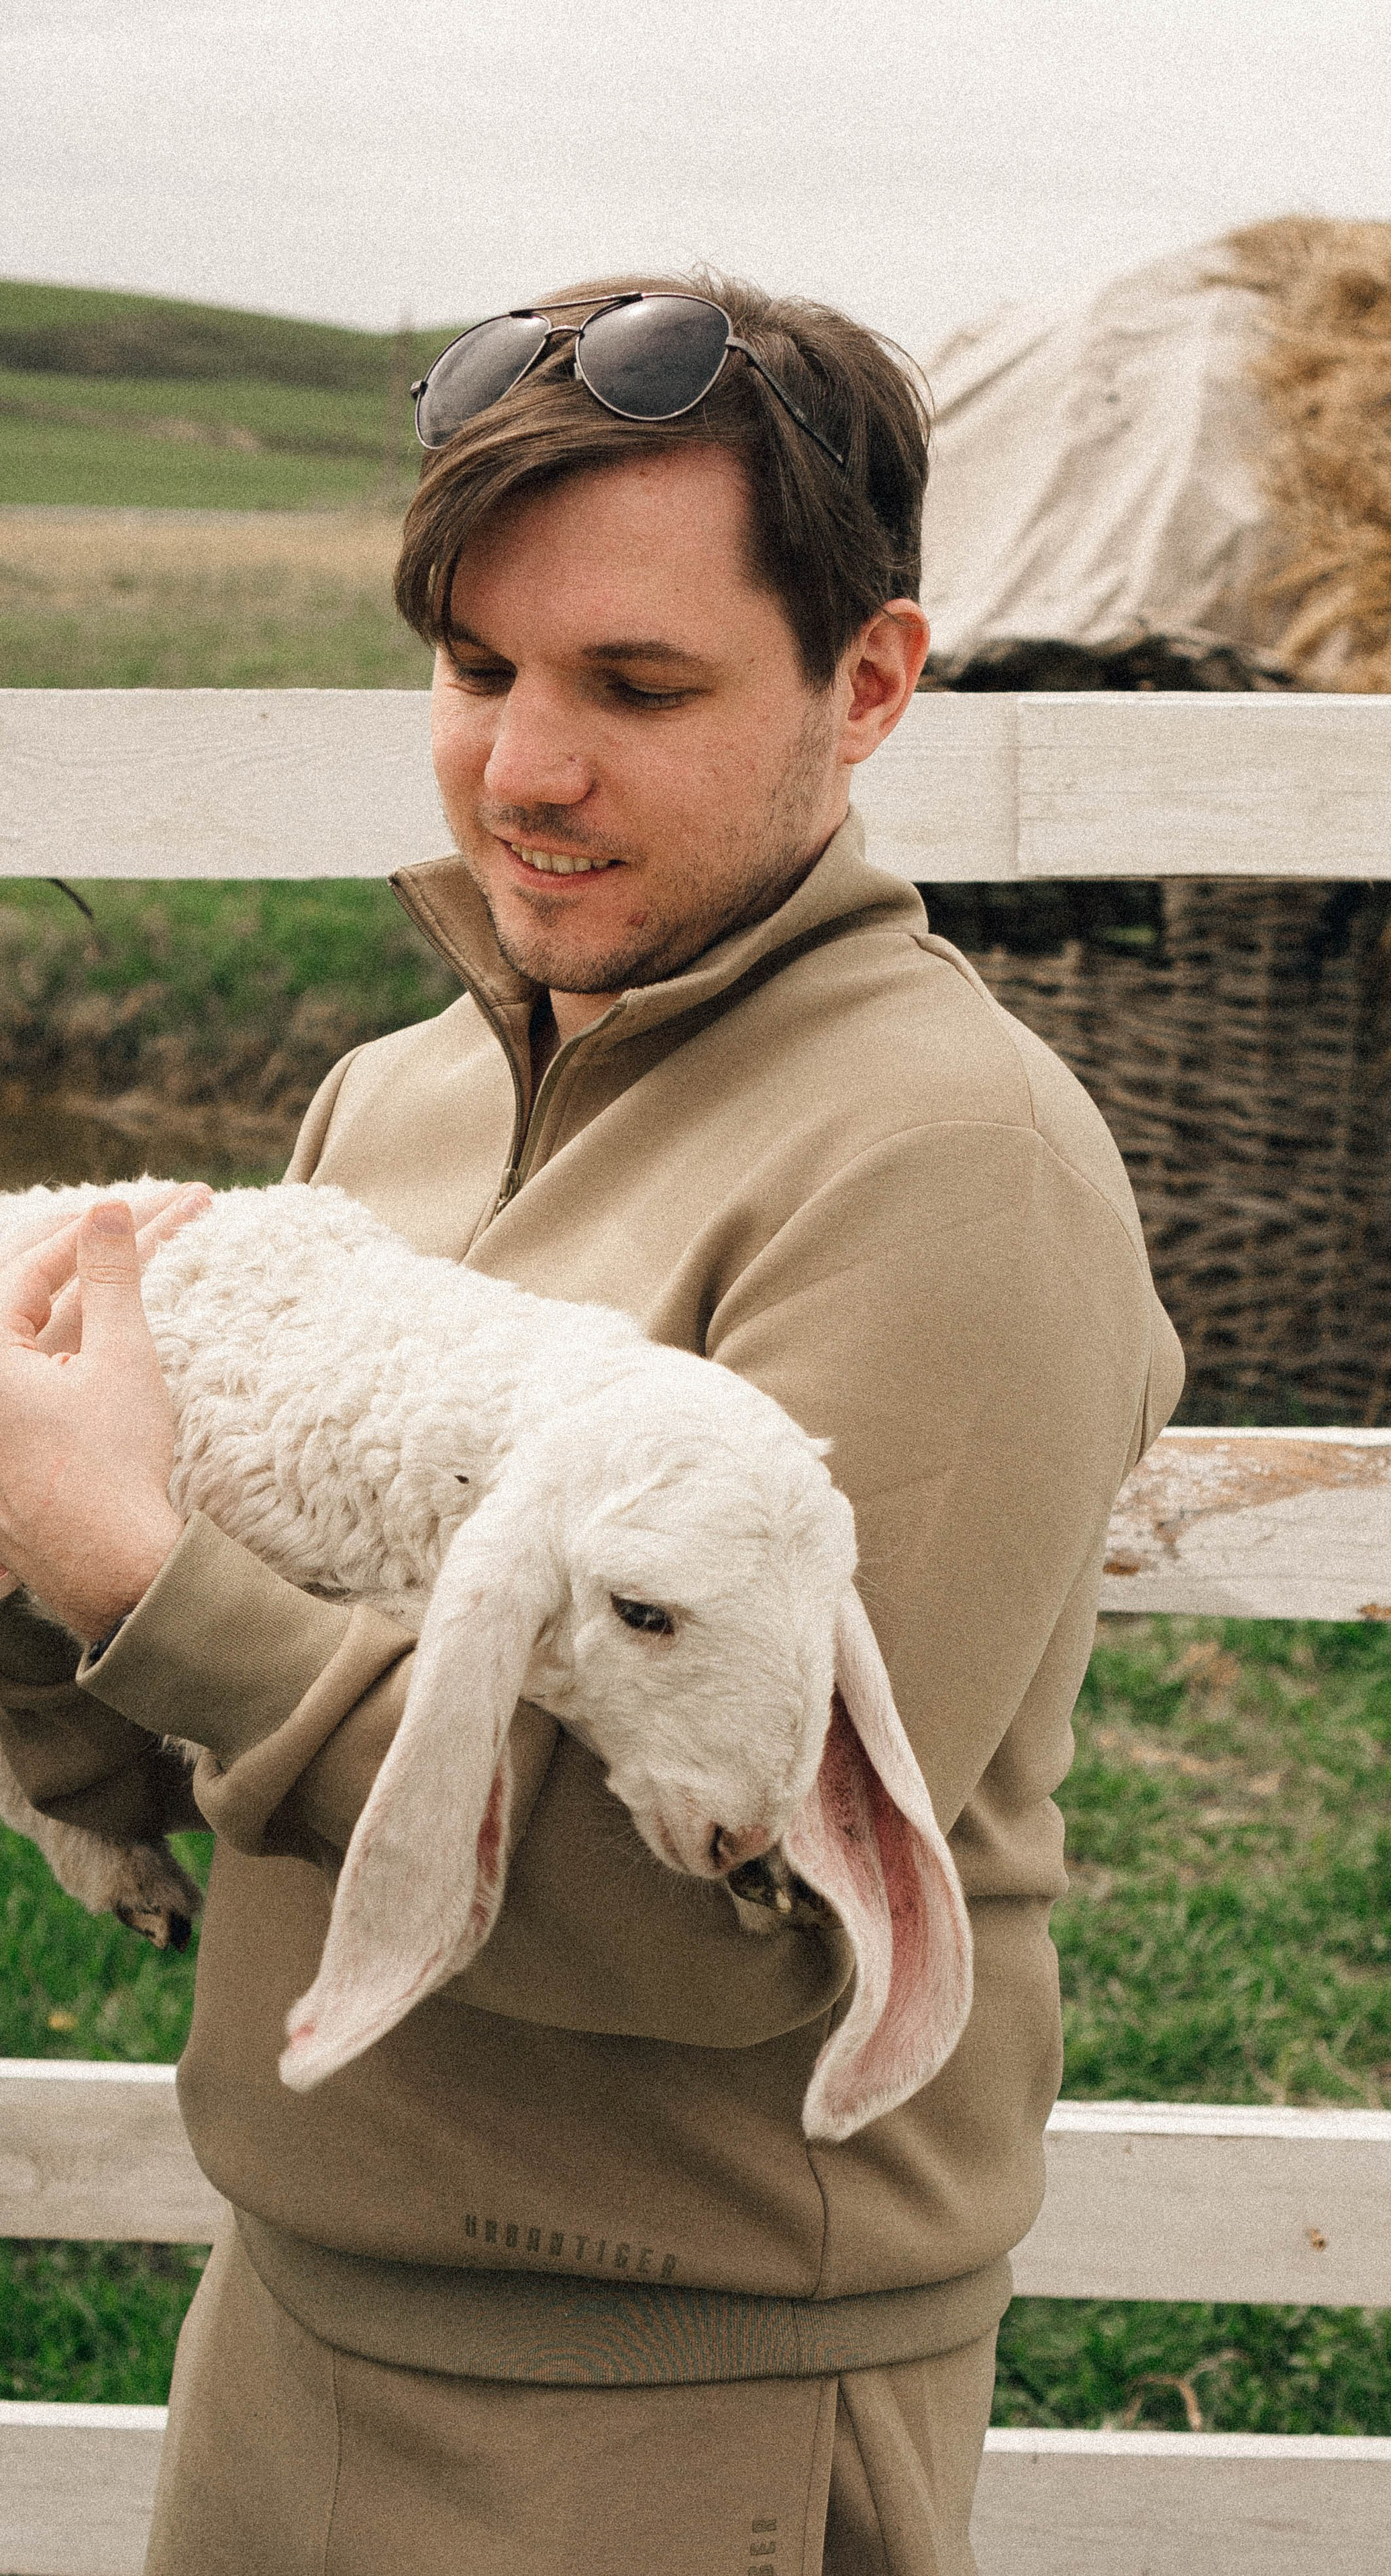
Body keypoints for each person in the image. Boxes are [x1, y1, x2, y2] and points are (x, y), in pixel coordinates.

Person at [0, 274, 1183, 2575]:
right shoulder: (402, 1095)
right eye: (477, 671)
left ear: (869, 683)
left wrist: (143, 1577)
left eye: (637, 688)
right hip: (296, 2315)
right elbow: (199, 1767)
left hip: (666, 2411)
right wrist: (45, 1596)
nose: (523, 770)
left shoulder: (951, 1166)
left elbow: (732, 1936)